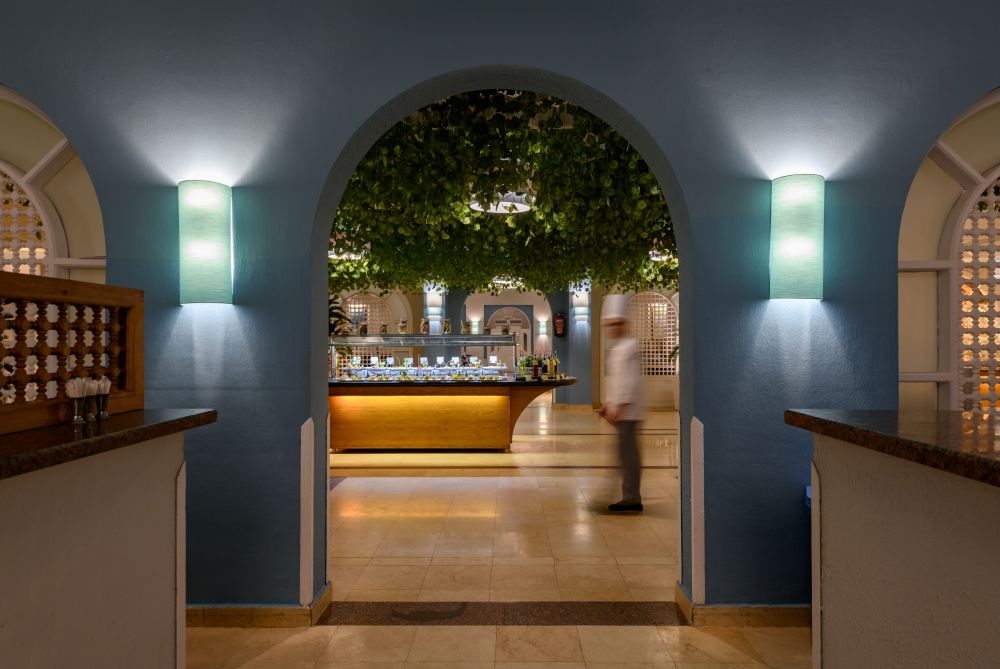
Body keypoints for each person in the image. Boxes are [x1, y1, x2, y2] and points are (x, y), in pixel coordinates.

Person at [597, 294, 644, 512]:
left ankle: (632, 499)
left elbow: (630, 381)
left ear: (625, 324)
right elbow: (616, 380)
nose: (613, 329)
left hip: (629, 412)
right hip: (621, 411)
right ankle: (629, 495)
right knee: (624, 454)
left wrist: (622, 406)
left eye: (616, 324)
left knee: (629, 456)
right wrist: (608, 405)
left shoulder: (630, 347)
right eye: (611, 325)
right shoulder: (618, 348)